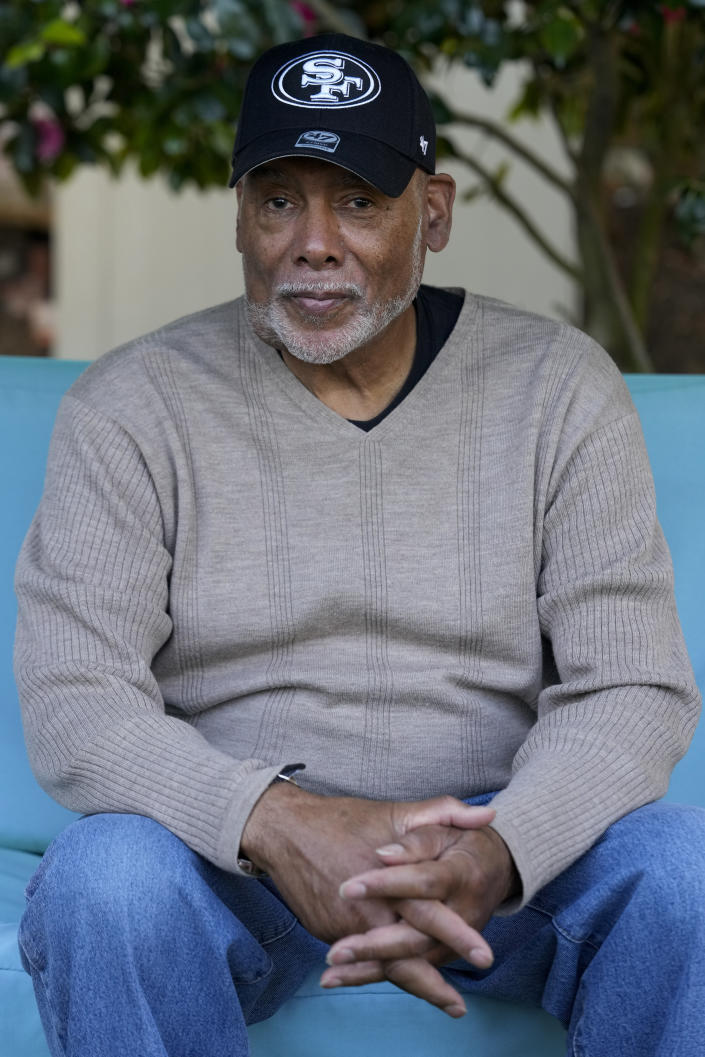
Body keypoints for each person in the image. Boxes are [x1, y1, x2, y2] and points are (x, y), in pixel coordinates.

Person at [13, 31, 704, 1057]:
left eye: (361, 201)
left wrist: (502, 848)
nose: (315, 242)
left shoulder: (558, 387)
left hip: (496, 851)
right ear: (241, 217)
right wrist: (277, 822)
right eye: (279, 198)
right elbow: (76, 698)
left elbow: (632, 686)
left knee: (683, 871)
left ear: (435, 213)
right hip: (233, 859)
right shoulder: (131, 406)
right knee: (104, 880)